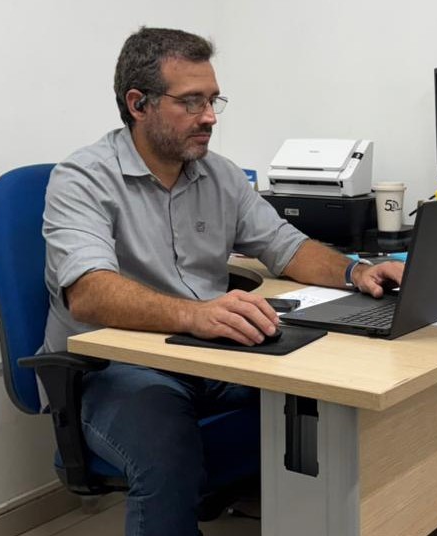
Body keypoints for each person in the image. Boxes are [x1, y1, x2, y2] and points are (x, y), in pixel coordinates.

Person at [42, 27, 403, 536]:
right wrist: (196, 315)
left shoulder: (220, 175)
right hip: (116, 368)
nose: (210, 116)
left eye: (213, 100)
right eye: (191, 102)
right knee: (166, 454)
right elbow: (88, 291)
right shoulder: (81, 179)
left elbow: (285, 246)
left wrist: (355, 272)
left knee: (332, 398)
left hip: (210, 355)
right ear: (138, 104)